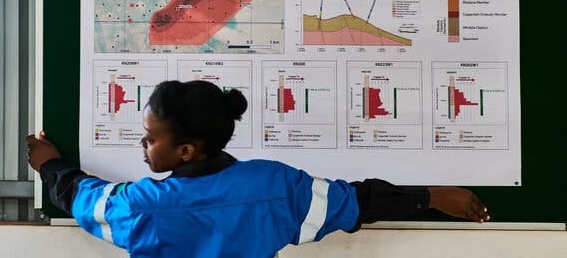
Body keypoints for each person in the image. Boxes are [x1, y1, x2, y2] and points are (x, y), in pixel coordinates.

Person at [27, 80, 490, 258]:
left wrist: (50, 166)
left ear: (186, 150)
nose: (142, 145)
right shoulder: (276, 187)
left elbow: (82, 197)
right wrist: (433, 196)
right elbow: (359, 201)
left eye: (150, 137)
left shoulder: (143, 208)